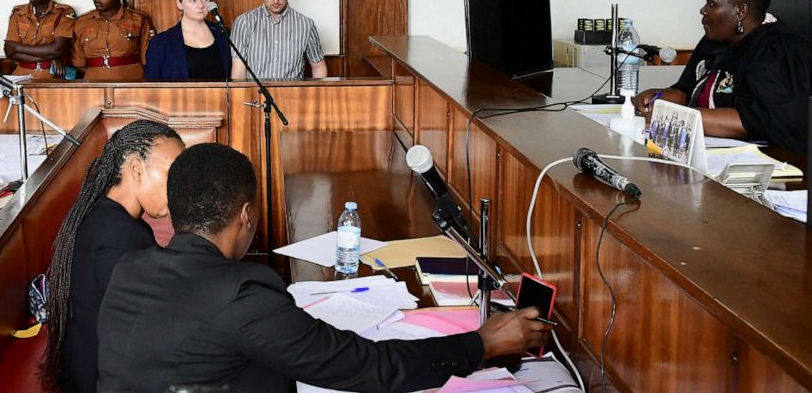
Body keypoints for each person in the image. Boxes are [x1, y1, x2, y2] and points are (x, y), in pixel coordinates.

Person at [98, 143, 549, 393]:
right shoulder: (242, 297)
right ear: (246, 215)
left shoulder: (129, 270)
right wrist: (482, 343)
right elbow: (371, 368)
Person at [41, 120, 185, 393]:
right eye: (172, 175)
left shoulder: (107, 217)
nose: (179, 189)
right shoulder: (117, 236)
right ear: (136, 170)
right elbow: (153, 326)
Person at [633, 0, 812, 152]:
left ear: (740, 11)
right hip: (700, 152)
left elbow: (756, 121)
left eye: (712, 4)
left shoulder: (776, 51)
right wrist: (657, 99)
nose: (703, 10)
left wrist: (676, 117)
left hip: (760, 164)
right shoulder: (714, 40)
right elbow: (686, 91)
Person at [229, 0, 327, 80]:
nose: (276, 0)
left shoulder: (305, 24)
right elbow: (238, 72)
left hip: (293, 96)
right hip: (256, 96)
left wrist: (316, 96)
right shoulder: (243, 23)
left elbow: (318, 65)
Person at [71, 0, 153, 81]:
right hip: (94, 87)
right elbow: (77, 63)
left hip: (132, 85)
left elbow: (149, 60)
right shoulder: (82, 22)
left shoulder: (138, 20)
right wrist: (99, 73)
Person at [143, 0, 231, 80]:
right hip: (179, 96)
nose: (201, 5)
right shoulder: (160, 44)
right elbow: (153, 88)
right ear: (179, 4)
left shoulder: (222, 33)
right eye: (193, 0)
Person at [4, 0, 77, 80]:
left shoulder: (64, 13)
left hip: (51, 76)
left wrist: (18, 47)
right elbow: (10, 52)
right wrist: (50, 56)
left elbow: (57, 50)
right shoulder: (18, 13)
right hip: (20, 76)